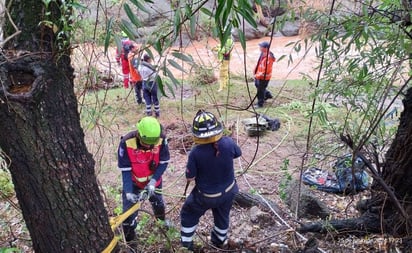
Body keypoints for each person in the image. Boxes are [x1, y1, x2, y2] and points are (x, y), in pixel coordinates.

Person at [180, 110, 242, 251]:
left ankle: (186, 245)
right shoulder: (228, 142)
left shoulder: (195, 153)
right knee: (222, 216)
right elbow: (238, 153)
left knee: (188, 213)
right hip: (229, 191)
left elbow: (190, 177)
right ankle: (219, 241)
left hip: (206, 196)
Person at [117, 116, 170, 251]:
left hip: (154, 182)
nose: (149, 147)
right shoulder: (127, 142)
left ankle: (161, 222)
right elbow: (125, 170)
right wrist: (128, 191)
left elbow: (163, 163)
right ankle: (131, 243)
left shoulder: (161, 139)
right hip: (134, 183)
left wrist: (153, 182)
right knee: (128, 216)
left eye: (152, 144)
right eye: (146, 143)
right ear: (139, 134)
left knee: (158, 203)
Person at [254, 41, 276, 108]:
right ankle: (267, 94)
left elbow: (267, 69)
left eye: (261, 47)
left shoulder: (269, 58)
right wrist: (255, 71)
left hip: (264, 77)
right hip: (259, 75)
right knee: (257, 85)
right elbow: (259, 63)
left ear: (266, 48)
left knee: (260, 90)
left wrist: (258, 75)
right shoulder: (262, 54)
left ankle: (260, 104)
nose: (260, 48)